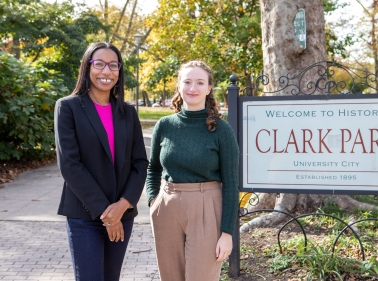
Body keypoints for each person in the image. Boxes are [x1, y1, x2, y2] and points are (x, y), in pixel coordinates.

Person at [54, 42, 149, 281]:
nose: (106, 71)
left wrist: (123, 205)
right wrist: (107, 215)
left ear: (119, 71)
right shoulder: (68, 107)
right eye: (99, 64)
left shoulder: (128, 112)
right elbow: (70, 165)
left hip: (122, 215)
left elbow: (140, 163)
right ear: (87, 68)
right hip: (84, 216)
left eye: (113, 65)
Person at [146, 60, 239, 281]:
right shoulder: (164, 126)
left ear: (209, 89)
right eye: (187, 82)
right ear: (179, 85)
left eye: (199, 82)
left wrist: (227, 233)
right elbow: (153, 169)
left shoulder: (221, 130)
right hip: (167, 206)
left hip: (207, 207)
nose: (192, 88)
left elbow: (231, 183)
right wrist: (153, 202)